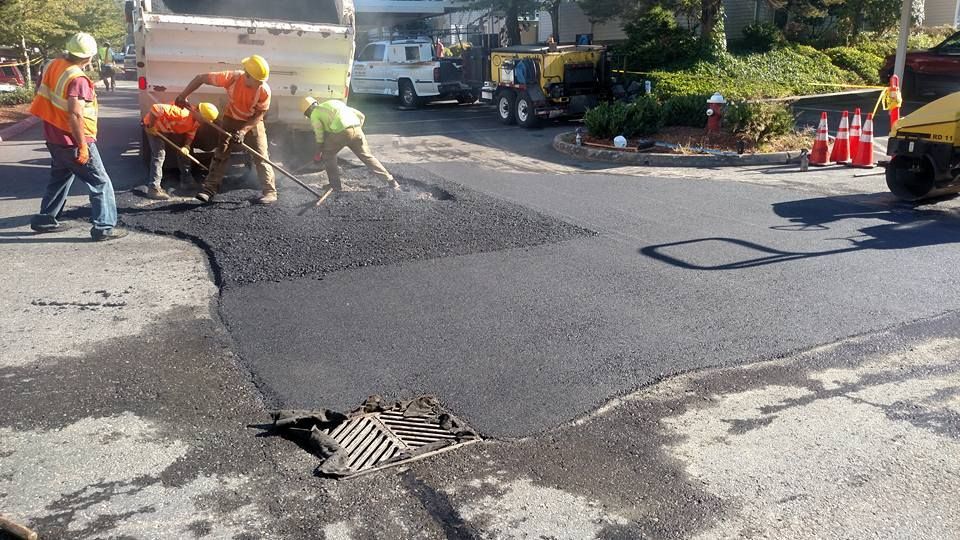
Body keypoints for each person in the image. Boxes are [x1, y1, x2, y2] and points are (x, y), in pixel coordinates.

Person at [28, 32, 126, 241]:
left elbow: (41, 91)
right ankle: (104, 227)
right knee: (100, 182)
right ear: (89, 57)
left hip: (53, 136)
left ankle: (45, 218)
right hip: (73, 140)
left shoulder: (52, 65)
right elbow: (74, 113)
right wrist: (82, 146)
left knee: (60, 177)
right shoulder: (78, 79)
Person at [174, 55, 276, 205]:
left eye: (262, 81)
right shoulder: (232, 78)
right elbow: (200, 78)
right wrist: (183, 95)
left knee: (261, 155)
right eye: (258, 81)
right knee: (221, 153)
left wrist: (243, 131)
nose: (260, 84)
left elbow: (260, 114)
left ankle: (270, 191)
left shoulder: (264, 90)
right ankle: (209, 189)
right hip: (230, 119)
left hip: (253, 121)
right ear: (247, 75)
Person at [299, 96, 399, 192]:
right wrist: (355, 130)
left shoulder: (314, 114)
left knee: (328, 155)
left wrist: (318, 153)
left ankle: (335, 185)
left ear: (308, 111)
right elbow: (361, 115)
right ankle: (391, 181)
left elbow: (319, 136)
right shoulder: (334, 102)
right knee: (367, 156)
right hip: (357, 129)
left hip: (341, 132)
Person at [141, 101, 219, 200]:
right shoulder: (182, 113)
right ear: (198, 112)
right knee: (159, 155)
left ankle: (186, 182)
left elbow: (191, 134)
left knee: (184, 153)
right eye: (205, 120)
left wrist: (186, 146)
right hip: (154, 128)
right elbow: (156, 108)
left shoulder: (197, 121)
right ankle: (153, 189)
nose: (205, 122)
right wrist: (150, 126)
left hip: (170, 128)